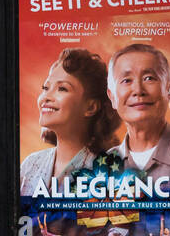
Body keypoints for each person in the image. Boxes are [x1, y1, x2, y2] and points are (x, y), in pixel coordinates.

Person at [19, 48, 122, 196]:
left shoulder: (108, 171)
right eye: (45, 88)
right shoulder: (31, 164)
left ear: (91, 107)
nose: (46, 97)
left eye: (62, 88)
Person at [106, 43, 170, 191]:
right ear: (112, 97)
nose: (138, 90)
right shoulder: (104, 164)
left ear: (169, 90)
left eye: (149, 78)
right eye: (126, 80)